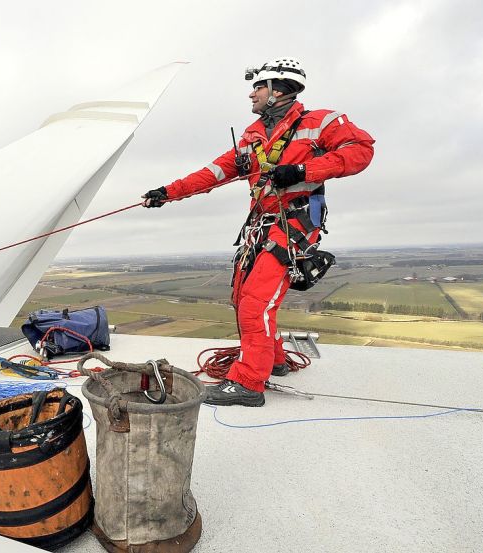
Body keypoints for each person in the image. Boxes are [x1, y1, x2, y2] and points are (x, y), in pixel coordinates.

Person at [141, 57, 374, 406]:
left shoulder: (320, 122)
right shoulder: (253, 137)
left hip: (293, 223)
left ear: (278, 90)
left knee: (255, 303)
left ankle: (249, 384)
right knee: (243, 296)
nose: (252, 95)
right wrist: (167, 193)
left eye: (258, 87)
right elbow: (214, 172)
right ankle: (274, 359)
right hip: (262, 224)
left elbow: (361, 151)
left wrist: (301, 170)